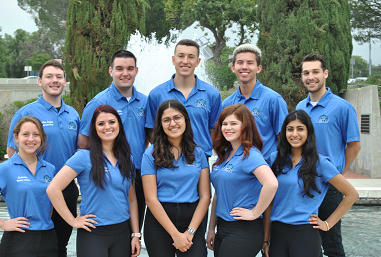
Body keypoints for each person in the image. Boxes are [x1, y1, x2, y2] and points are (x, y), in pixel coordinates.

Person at [6, 59, 79, 257]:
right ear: (40, 81)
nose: (54, 81)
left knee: (60, 245)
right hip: (38, 190)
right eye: (49, 76)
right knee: (34, 245)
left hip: (66, 189)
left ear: (65, 81)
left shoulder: (73, 114)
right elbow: (12, 154)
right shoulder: (27, 112)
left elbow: (78, 153)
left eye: (59, 77)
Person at [47, 105, 140, 257]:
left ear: (119, 125)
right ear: (94, 128)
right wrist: (72, 221)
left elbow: (132, 199)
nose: (107, 127)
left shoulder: (127, 158)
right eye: (101, 124)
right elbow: (53, 189)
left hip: (122, 232)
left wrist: (136, 234)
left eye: (112, 122)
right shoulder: (83, 157)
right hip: (93, 235)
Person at [263, 110, 358, 257]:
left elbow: (352, 194)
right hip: (276, 235)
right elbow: (268, 202)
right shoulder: (274, 160)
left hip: (305, 235)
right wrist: (265, 239)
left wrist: (327, 224)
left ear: (308, 132)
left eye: (300, 129)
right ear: (284, 132)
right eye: (290, 129)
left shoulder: (320, 163)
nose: (294, 134)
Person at [296, 54, 361, 257]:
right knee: (306, 239)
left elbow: (354, 145)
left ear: (325, 74)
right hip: (303, 182)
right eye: (306, 73)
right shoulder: (300, 107)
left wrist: (337, 174)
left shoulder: (342, 107)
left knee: (331, 243)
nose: (310, 77)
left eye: (315, 72)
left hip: (329, 186)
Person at [78, 50, 148, 231]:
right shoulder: (98, 103)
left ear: (137, 71)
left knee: (134, 233)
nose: (125, 73)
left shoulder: (145, 102)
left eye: (130, 68)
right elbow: (83, 143)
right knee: (110, 230)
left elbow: (148, 138)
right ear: (111, 71)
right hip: (109, 176)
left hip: (138, 176)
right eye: (119, 69)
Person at [206, 104, 278, 257]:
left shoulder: (250, 154)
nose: (227, 128)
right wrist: (211, 228)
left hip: (244, 230)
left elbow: (271, 183)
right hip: (223, 228)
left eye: (233, 123)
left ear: (245, 126)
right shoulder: (225, 154)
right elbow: (218, 194)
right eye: (224, 124)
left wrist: (254, 212)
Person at [141, 99, 211, 256]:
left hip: (191, 220)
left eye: (177, 118)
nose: (172, 123)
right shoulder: (150, 154)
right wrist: (175, 234)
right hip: (160, 222)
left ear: (185, 119)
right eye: (166, 120)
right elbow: (150, 199)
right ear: (160, 124)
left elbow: (206, 196)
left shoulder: (198, 153)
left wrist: (190, 232)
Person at [0, 116, 57, 256]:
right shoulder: (6, 168)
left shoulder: (50, 169)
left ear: (41, 138)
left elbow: (50, 205)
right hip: (19, 240)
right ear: (16, 138)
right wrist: (3, 224)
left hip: (48, 239)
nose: (31, 139)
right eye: (25, 134)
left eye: (36, 134)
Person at [145, 39, 222, 159]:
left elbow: (215, 130)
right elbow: (151, 130)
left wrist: (200, 152)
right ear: (173, 60)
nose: (185, 61)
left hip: (200, 162)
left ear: (198, 61)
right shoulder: (156, 94)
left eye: (191, 57)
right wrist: (165, 150)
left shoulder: (212, 94)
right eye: (181, 56)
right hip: (167, 161)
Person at [222, 44, 288, 159]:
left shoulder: (273, 100)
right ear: (233, 68)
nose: (244, 67)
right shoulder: (227, 103)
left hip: (266, 168)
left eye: (250, 63)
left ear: (258, 68)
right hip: (238, 169)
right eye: (240, 62)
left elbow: (285, 139)